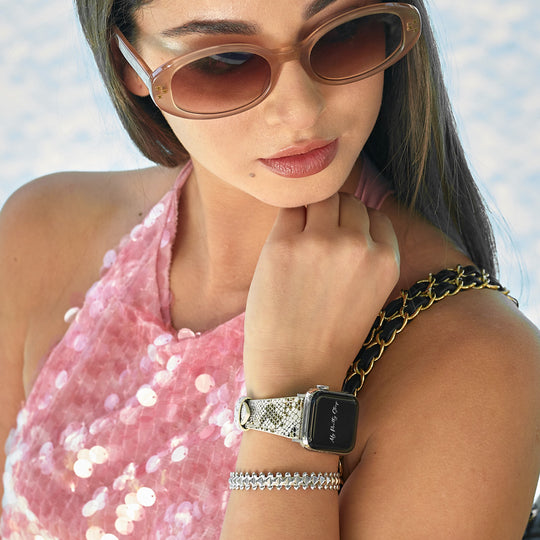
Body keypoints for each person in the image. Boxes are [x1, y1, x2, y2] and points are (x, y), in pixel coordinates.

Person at [1, 0, 539, 538]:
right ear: (128, 62)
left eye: (342, 33)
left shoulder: (479, 368)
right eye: (225, 61)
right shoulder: (43, 234)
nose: (301, 112)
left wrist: (293, 397)